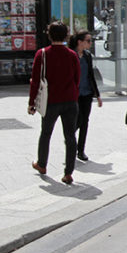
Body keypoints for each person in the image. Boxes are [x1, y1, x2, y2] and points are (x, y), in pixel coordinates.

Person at [29, 22, 81, 185]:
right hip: (70, 100)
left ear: (49, 35)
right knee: (70, 136)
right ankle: (68, 173)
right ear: (66, 35)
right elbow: (77, 78)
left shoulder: (42, 54)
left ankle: (42, 164)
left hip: (50, 101)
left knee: (46, 133)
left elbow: (35, 81)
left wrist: (31, 102)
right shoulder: (72, 55)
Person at [69, 31, 102, 162]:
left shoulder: (88, 55)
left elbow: (91, 76)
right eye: (88, 41)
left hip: (87, 93)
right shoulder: (71, 55)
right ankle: (70, 138)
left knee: (85, 121)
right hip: (74, 94)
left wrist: (97, 95)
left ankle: (81, 150)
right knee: (78, 120)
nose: (90, 43)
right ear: (80, 42)